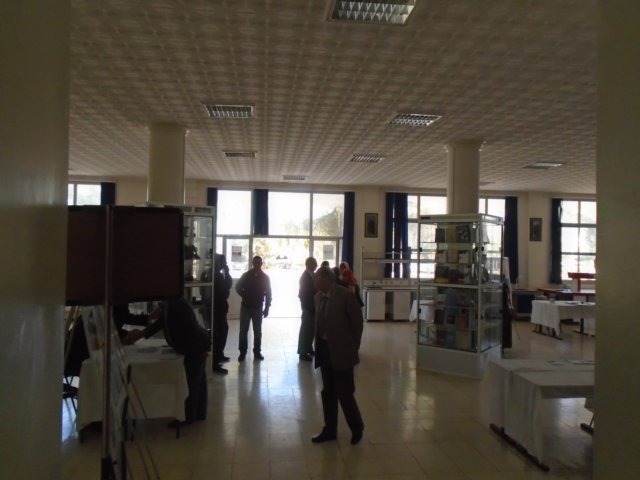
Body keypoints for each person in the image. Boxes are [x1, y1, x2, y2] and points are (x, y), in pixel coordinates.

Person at [123, 297, 211, 426]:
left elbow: (191, 329)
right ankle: (198, 413)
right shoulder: (171, 301)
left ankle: (188, 417)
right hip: (195, 346)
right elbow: (161, 322)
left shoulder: (177, 303)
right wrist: (142, 334)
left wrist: (199, 351)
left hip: (195, 347)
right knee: (197, 380)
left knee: (192, 382)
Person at [311, 266, 365, 445]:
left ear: (327, 279)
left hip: (342, 352)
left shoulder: (345, 296)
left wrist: (353, 348)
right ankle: (330, 430)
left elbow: (357, 323)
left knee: (345, 392)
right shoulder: (317, 297)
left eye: (317, 277)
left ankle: (357, 427)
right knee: (328, 392)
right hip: (324, 350)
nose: (314, 281)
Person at [235, 255, 272, 361]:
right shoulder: (246, 275)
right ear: (252, 263)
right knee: (243, 331)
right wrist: (244, 295)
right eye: (255, 262)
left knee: (257, 331)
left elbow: (268, 293)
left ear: (261, 264)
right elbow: (237, 287)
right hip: (245, 307)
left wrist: (267, 307)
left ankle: (257, 352)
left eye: (258, 263)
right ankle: (242, 352)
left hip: (258, 308)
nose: (256, 265)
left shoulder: (265, 278)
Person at [212, 254, 233, 371]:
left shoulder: (212, 274)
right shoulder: (217, 276)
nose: (224, 264)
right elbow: (226, 289)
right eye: (223, 262)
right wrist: (227, 273)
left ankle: (219, 355)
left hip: (217, 308)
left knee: (221, 332)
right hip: (218, 309)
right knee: (219, 334)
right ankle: (215, 362)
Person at [297, 257, 318, 362]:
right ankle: (302, 352)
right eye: (314, 264)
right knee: (305, 330)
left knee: (311, 330)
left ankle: (309, 348)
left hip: (313, 307)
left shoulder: (312, 275)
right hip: (308, 307)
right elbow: (303, 294)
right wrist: (307, 307)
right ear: (308, 264)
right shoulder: (305, 277)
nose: (316, 266)